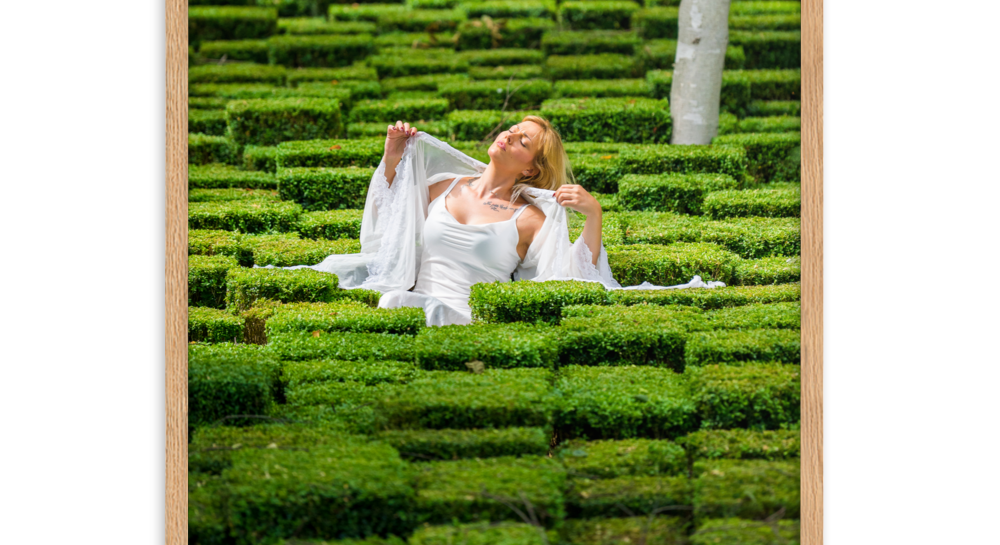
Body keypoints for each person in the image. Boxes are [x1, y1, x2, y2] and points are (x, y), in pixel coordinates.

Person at [267, 116, 724, 326]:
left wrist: (593, 215)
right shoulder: (442, 187)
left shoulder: (529, 219)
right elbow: (386, 228)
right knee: (387, 303)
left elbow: (567, 277)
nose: (509, 135)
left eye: (523, 140)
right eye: (512, 129)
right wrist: (392, 158)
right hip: (409, 292)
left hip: (466, 314)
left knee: (396, 310)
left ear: (531, 168)